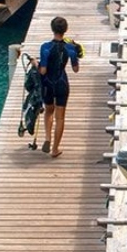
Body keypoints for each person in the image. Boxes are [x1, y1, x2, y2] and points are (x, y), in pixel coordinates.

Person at [38, 16, 81, 158]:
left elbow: (43, 70)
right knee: (60, 118)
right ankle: (55, 149)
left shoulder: (45, 47)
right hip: (62, 83)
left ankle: (47, 139)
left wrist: (34, 64)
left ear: (52, 29)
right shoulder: (70, 48)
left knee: (48, 111)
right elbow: (75, 69)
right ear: (65, 30)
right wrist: (76, 52)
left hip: (47, 83)